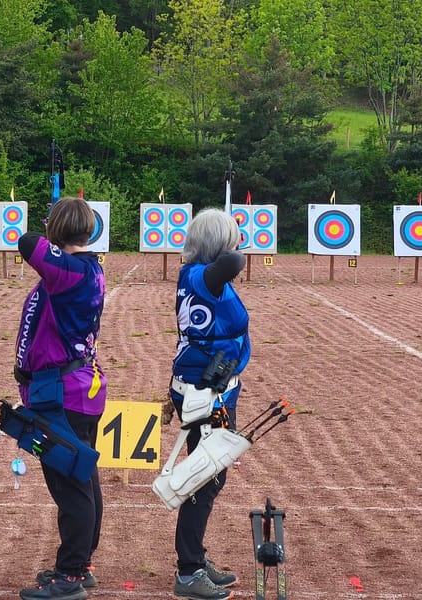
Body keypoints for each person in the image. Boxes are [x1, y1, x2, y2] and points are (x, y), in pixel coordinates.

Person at [14, 198, 106, 600]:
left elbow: (27, 242)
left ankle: (70, 576)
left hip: (63, 394)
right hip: (74, 389)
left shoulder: (71, 271)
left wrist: (50, 230)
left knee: (72, 487)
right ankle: (80, 565)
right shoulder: (84, 268)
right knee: (81, 478)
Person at [168, 208, 251, 600]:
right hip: (205, 393)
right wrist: (228, 244)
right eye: (231, 239)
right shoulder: (204, 277)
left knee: (209, 474)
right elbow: (234, 261)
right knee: (206, 477)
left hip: (208, 387)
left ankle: (196, 559)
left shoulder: (197, 276)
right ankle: (188, 572)